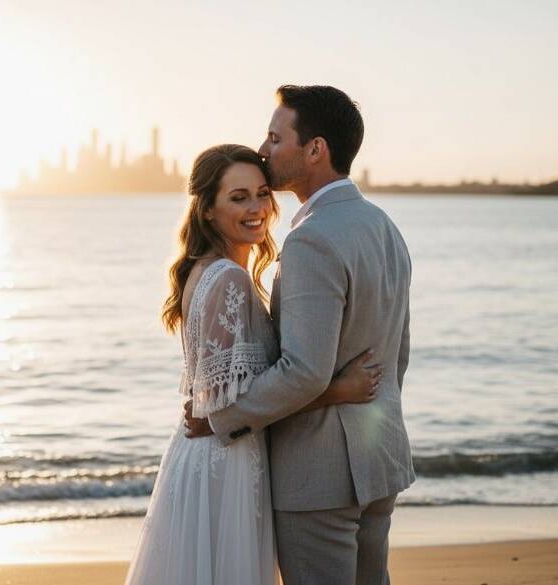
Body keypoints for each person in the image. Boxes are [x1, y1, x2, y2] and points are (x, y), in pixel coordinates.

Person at [185, 86, 415, 585]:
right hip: (381, 461)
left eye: (275, 136)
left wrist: (225, 417)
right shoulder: (384, 227)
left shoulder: (312, 238)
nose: (264, 150)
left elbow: (305, 372)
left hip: (321, 477)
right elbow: (397, 355)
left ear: (315, 149)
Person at [124, 144, 382, 585]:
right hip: (227, 462)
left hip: (206, 454)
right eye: (238, 197)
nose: (257, 208)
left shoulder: (204, 270)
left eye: (262, 194)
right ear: (207, 210)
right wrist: (340, 390)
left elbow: (224, 403)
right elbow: (233, 409)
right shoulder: (229, 278)